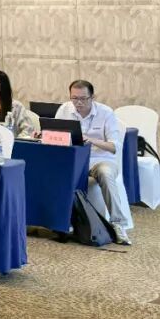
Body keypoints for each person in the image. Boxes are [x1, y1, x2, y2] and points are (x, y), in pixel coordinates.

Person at [54, 80, 131, 244]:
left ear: (92, 97)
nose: (78, 103)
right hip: (74, 160)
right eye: (74, 98)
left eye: (83, 99)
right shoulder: (64, 110)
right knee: (52, 172)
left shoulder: (106, 113)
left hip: (101, 159)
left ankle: (118, 224)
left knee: (105, 173)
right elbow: (55, 135)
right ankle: (61, 222)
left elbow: (114, 147)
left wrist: (91, 140)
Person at [0, 70, 37, 137]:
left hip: (11, 142)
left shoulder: (16, 106)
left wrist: (16, 141)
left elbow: (28, 129)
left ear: (3, 84)